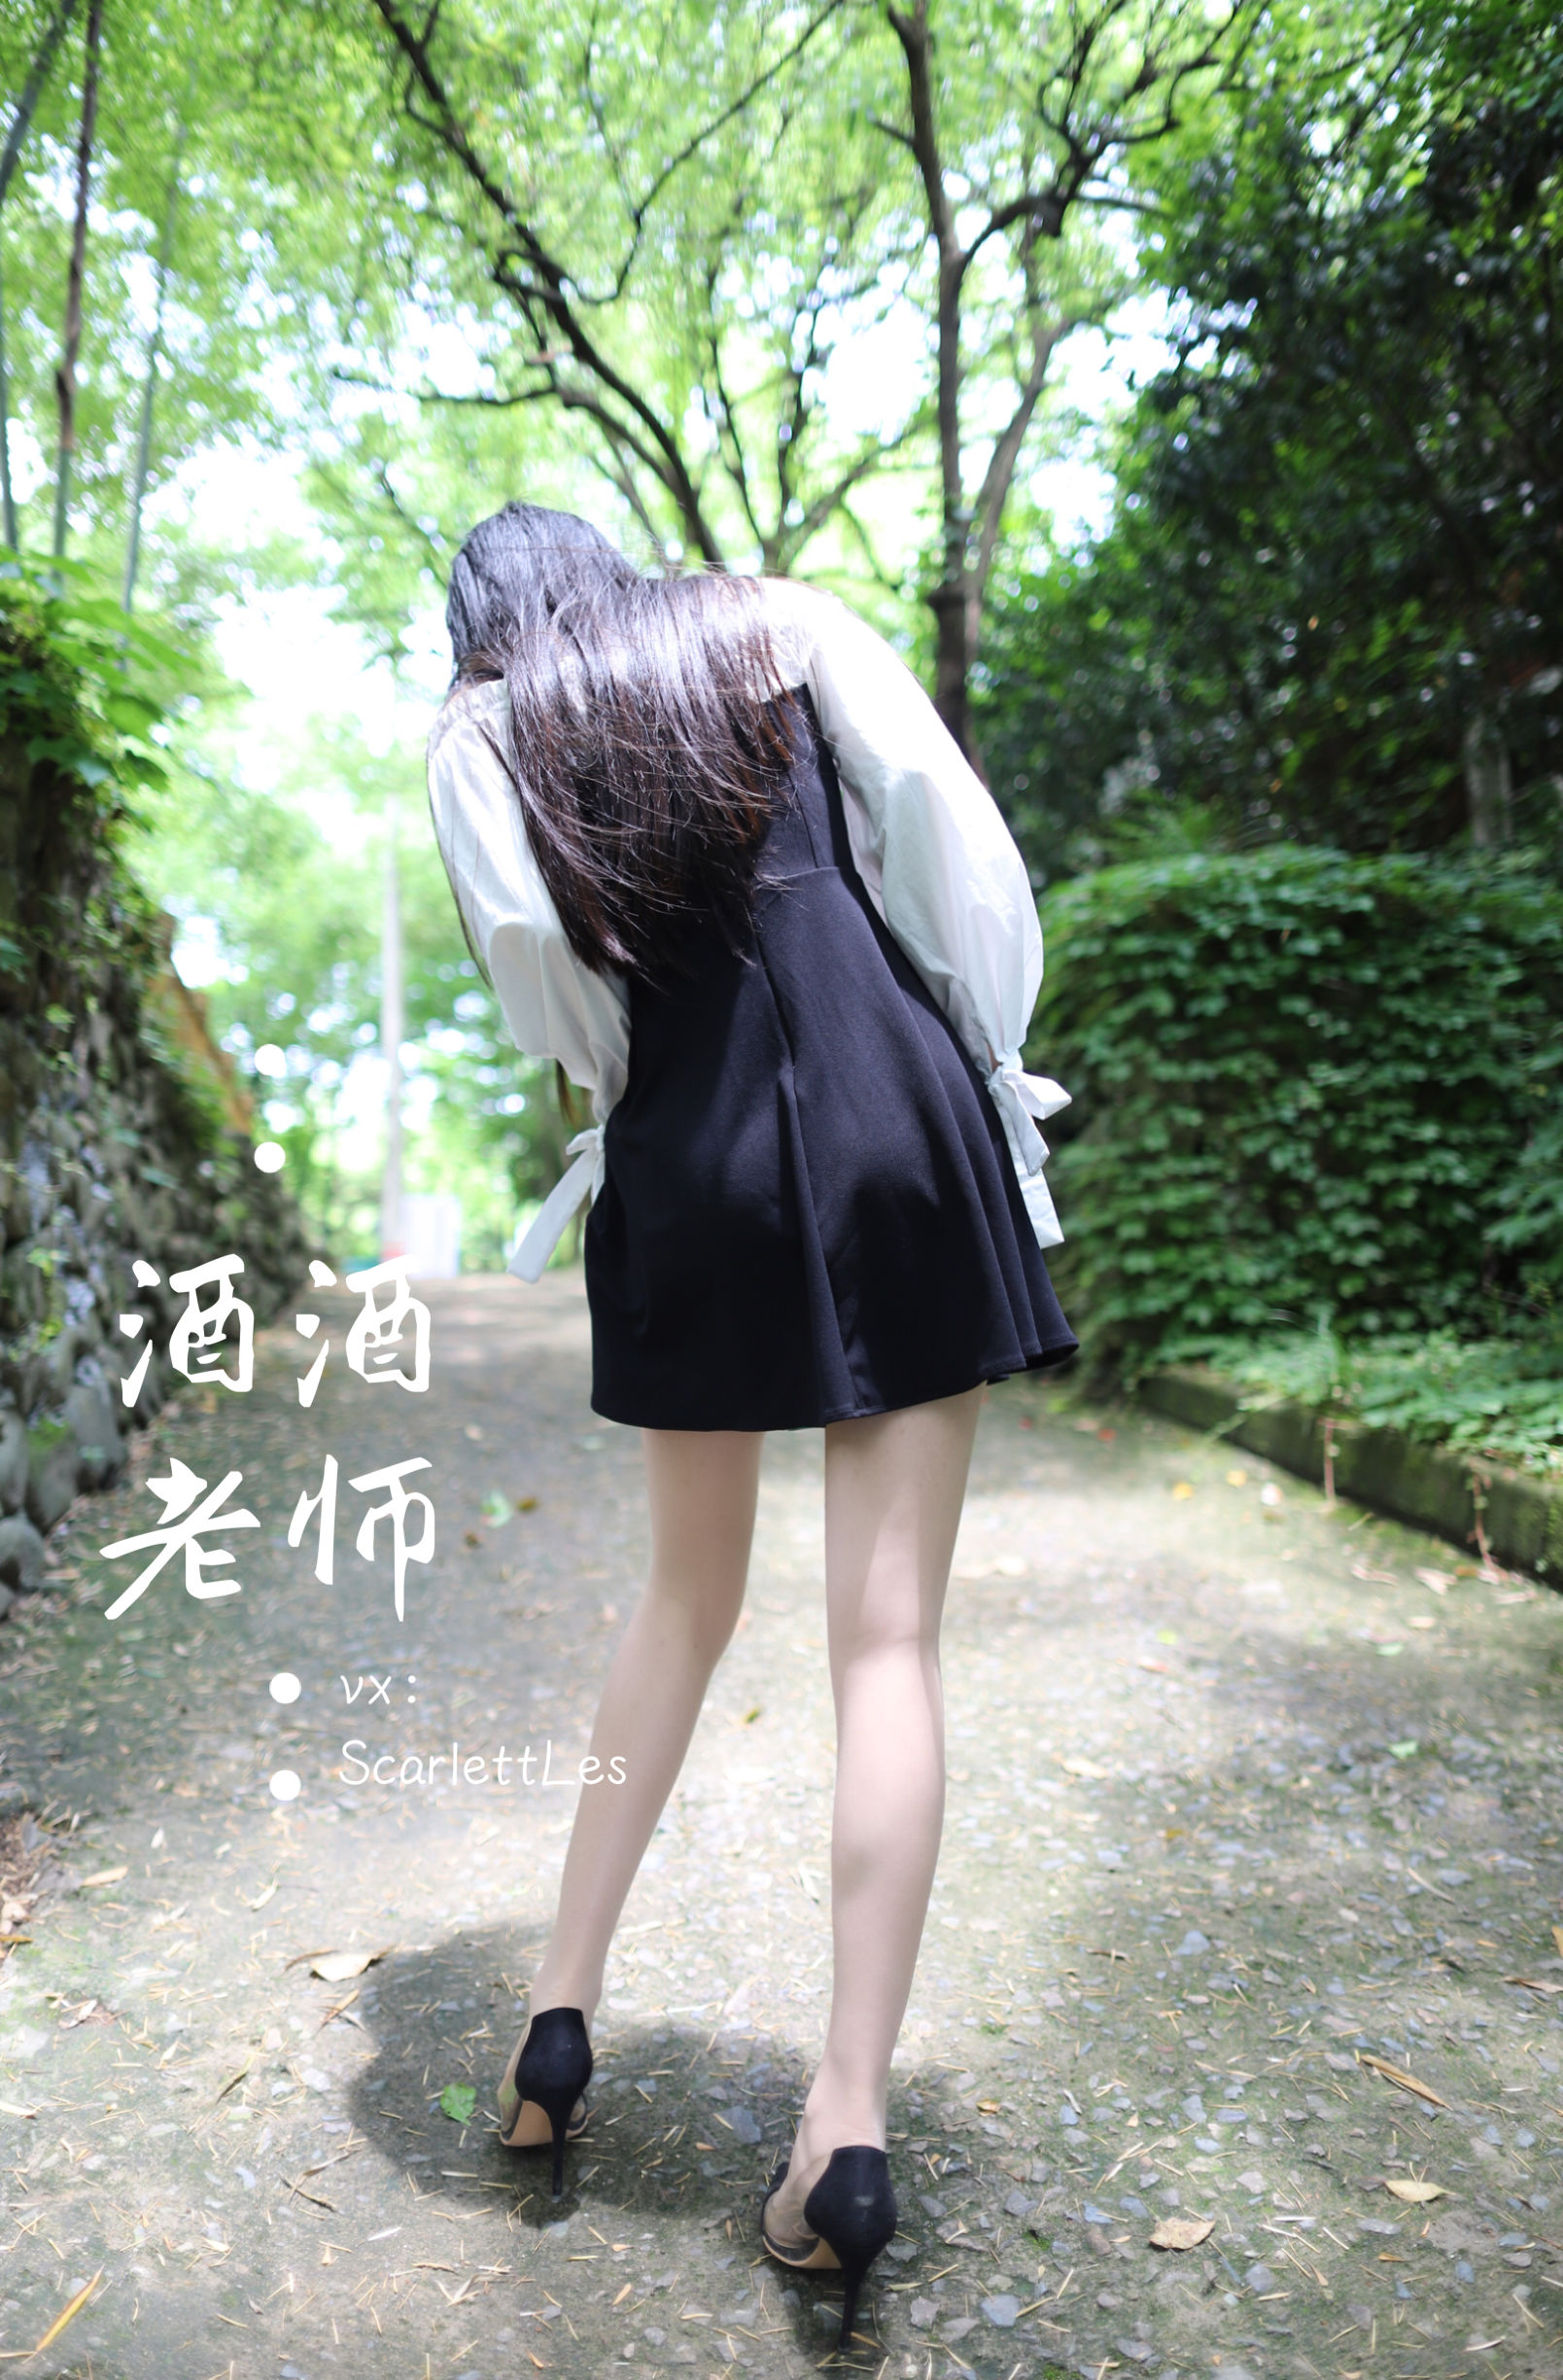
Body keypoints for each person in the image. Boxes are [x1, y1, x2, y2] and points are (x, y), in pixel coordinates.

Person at [425, 503, 1076, 2349]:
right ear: (607, 568)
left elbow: (549, 991)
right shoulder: (775, 620)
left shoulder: (481, 730)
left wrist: (652, 1105)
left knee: (681, 1598)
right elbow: (947, 846)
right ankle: (844, 2130)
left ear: (480, 623)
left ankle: (554, 2028)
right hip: (897, 1105)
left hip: (685, 1136)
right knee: (888, 1640)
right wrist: (981, 1054)